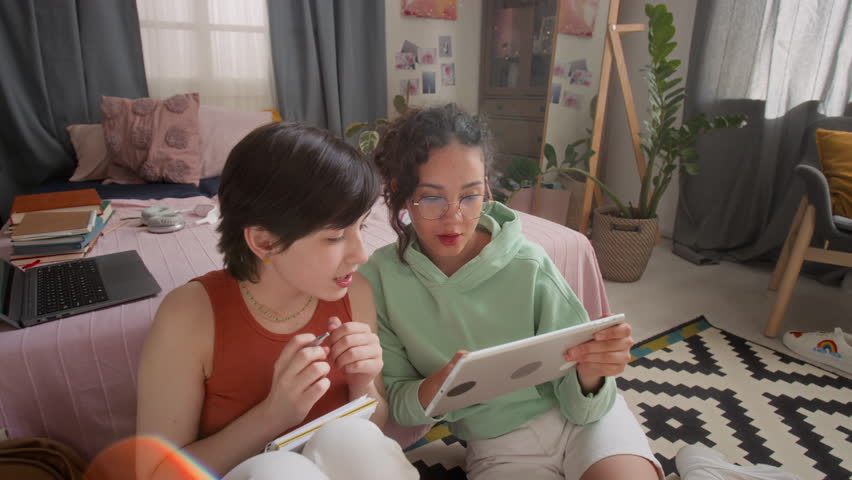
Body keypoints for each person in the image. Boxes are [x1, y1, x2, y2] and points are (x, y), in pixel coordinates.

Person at [359, 104, 664, 480]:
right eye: (433, 198)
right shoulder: (380, 280)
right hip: (498, 445)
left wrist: (592, 373)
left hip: (586, 424)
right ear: (400, 192)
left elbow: (586, 408)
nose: (454, 217)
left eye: (470, 195)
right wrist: (441, 387)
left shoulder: (529, 263)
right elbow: (401, 406)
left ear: (486, 187)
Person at [136, 122, 418, 479]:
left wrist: (364, 383)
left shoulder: (354, 292)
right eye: (334, 237)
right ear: (265, 242)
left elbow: (373, 424)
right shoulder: (189, 316)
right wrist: (273, 416)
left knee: (355, 438)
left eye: (361, 227)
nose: (361, 254)